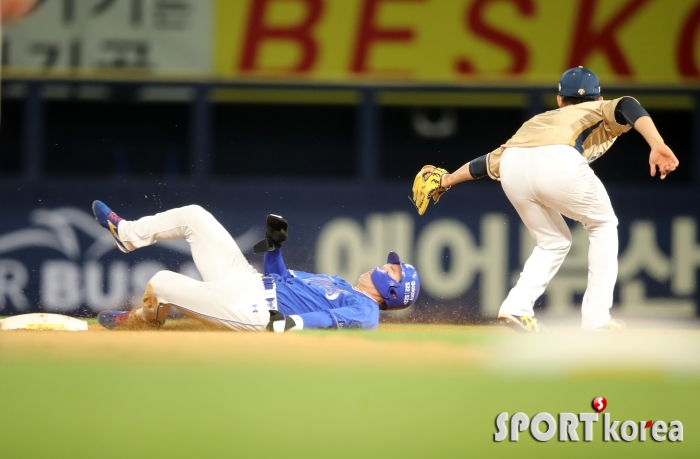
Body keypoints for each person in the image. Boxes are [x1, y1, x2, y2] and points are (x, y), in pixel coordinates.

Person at [416, 67, 679, 333]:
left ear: (559, 100)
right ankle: (597, 320)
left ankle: (517, 307)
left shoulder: (539, 120)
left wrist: (448, 180)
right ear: (599, 98)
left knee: (553, 241)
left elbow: (489, 162)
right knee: (603, 225)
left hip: (513, 165)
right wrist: (656, 143)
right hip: (558, 160)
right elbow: (627, 104)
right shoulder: (599, 109)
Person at [91, 201, 420, 332]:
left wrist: (291, 324)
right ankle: (127, 235)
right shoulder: (338, 282)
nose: (384, 264)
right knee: (194, 216)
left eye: (391, 270)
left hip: (255, 311)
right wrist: (275, 246)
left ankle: (142, 320)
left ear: (392, 291)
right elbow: (279, 275)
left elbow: (329, 321)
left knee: (162, 281)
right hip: (248, 282)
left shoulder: (367, 310)